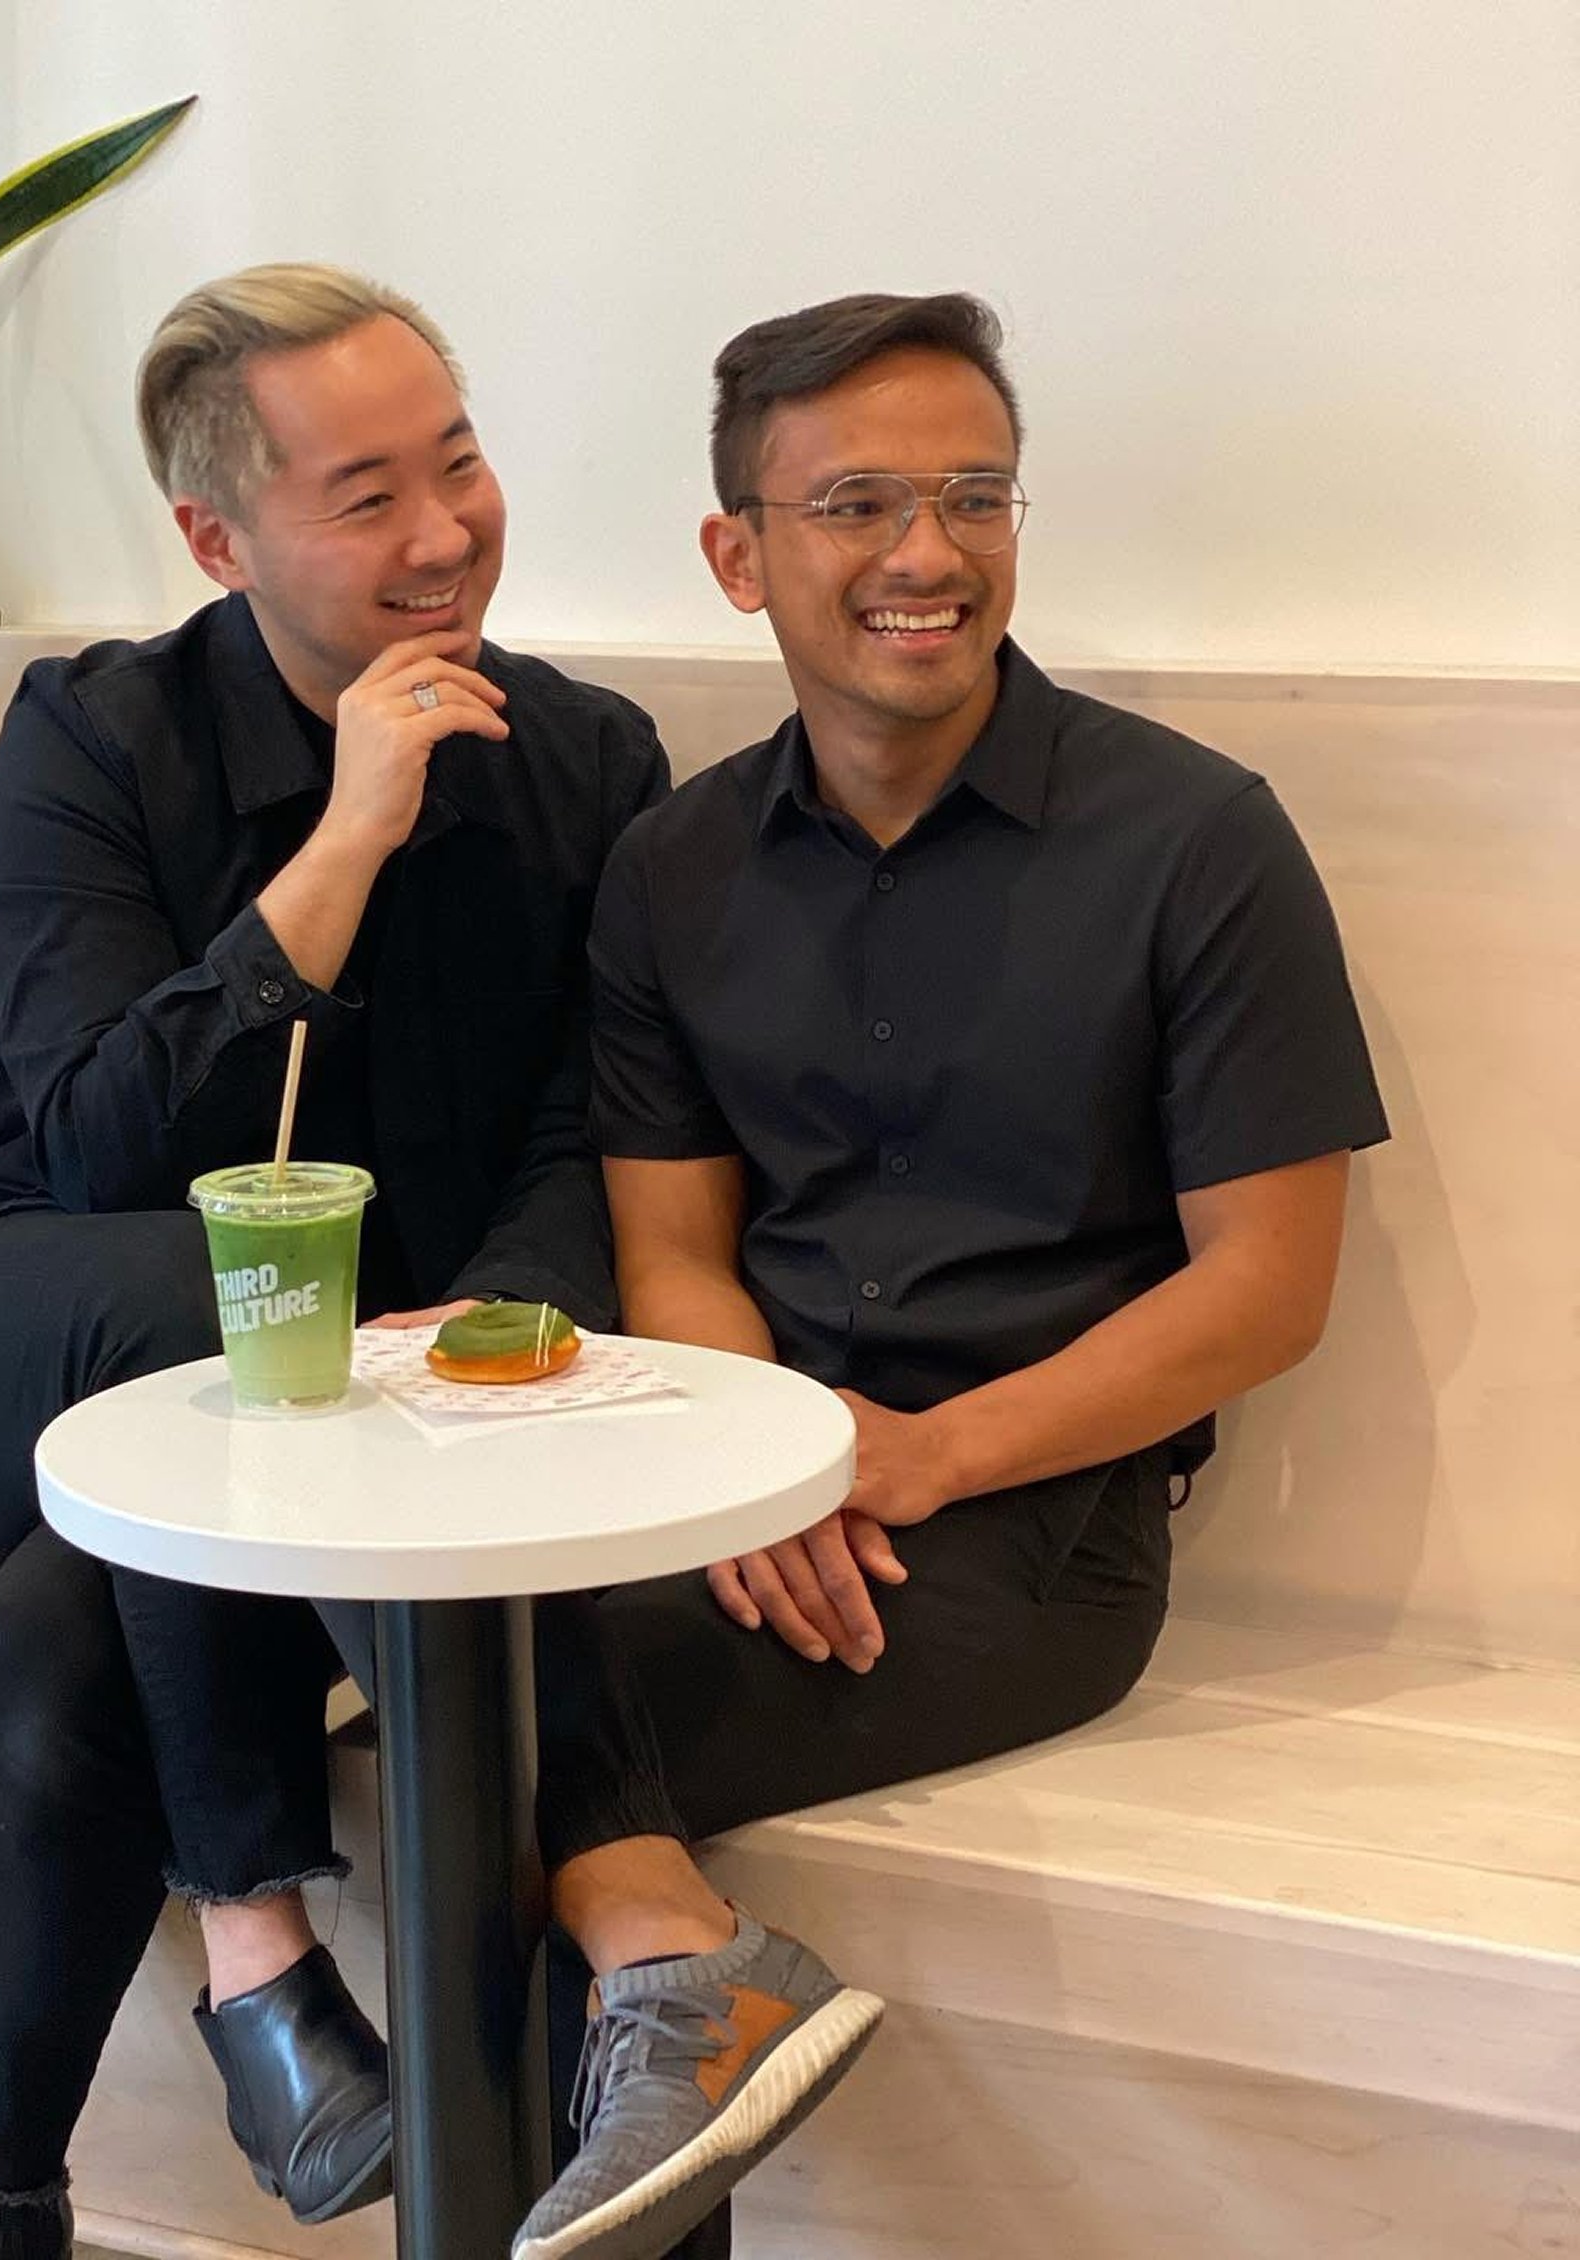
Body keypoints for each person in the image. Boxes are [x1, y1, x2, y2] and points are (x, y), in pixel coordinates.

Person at [0, 264, 879, 2260]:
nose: (442, 533)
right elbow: (85, 1141)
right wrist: (336, 846)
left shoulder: (581, 760)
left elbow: (598, 1127)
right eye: (364, 493)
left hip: (333, 1418)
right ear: (217, 540)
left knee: (69, 1634)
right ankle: (375, 1934)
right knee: (212, 1298)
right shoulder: (96, 737)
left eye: (461, 461)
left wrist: (473, 1332)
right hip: (16, 1316)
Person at [566, 288, 1389, 2248]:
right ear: (734, 553)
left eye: (971, 496)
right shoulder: (669, 867)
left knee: (494, 1738)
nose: (924, 554)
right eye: (853, 502)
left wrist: (913, 1458)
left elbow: (1266, 1286)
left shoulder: (1194, 838)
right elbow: (669, 1242)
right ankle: (664, 1986)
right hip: (752, 1482)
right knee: (421, 1665)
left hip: (1038, 1524)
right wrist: (756, 1465)